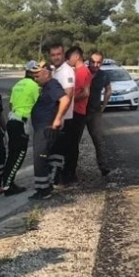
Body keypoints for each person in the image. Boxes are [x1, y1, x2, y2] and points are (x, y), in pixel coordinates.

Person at [29, 62, 71, 200]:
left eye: (37, 75)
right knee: (45, 157)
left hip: (45, 128)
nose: (35, 78)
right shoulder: (47, 86)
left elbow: (65, 99)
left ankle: (43, 190)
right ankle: (46, 185)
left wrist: (58, 119)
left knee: (39, 158)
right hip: (43, 127)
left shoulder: (52, 85)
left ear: (46, 73)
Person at [2, 62, 42, 196]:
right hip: (21, 123)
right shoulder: (34, 86)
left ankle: (8, 183)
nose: (38, 74)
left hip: (12, 121)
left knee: (12, 154)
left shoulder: (17, 85)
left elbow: (12, 103)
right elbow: (39, 105)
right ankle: (8, 186)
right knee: (19, 155)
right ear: (31, 72)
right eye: (36, 72)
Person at [46, 42, 75, 186]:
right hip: (55, 117)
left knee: (61, 150)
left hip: (64, 118)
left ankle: (60, 181)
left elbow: (68, 95)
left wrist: (60, 117)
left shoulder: (67, 71)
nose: (56, 57)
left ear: (63, 55)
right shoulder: (54, 71)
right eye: (53, 55)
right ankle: (55, 178)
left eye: (58, 54)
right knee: (54, 149)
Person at [62, 45, 91, 184]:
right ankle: (69, 173)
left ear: (77, 56)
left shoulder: (81, 72)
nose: (68, 60)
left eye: (69, 58)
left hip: (77, 112)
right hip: (76, 112)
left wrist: (69, 101)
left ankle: (70, 174)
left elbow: (84, 93)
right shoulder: (79, 71)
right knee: (70, 144)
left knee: (72, 144)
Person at [86, 52, 113, 177]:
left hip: (94, 112)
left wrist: (103, 106)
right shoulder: (82, 72)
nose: (95, 65)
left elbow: (108, 90)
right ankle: (69, 171)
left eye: (98, 62)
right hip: (79, 111)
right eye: (93, 62)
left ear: (101, 63)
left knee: (98, 139)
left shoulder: (103, 76)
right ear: (89, 61)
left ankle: (104, 167)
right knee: (73, 141)